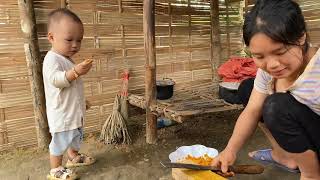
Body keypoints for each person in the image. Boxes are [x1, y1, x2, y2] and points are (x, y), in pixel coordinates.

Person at [211, 0, 320, 179]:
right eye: (259, 56)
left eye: (279, 52)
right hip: (305, 136)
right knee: (247, 89)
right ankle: (285, 156)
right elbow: (252, 111)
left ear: (301, 37)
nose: (272, 64)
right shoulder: (267, 72)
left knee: (277, 106)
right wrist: (230, 150)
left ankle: (311, 174)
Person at [43, 8, 95, 180]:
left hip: (73, 111)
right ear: (51, 37)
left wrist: (82, 102)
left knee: (75, 137)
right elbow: (56, 80)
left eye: (79, 40)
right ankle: (56, 169)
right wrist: (75, 72)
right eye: (69, 39)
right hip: (62, 114)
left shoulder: (66, 59)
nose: (75, 44)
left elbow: (73, 88)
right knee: (60, 142)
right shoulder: (52, 59)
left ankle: (73, 157)